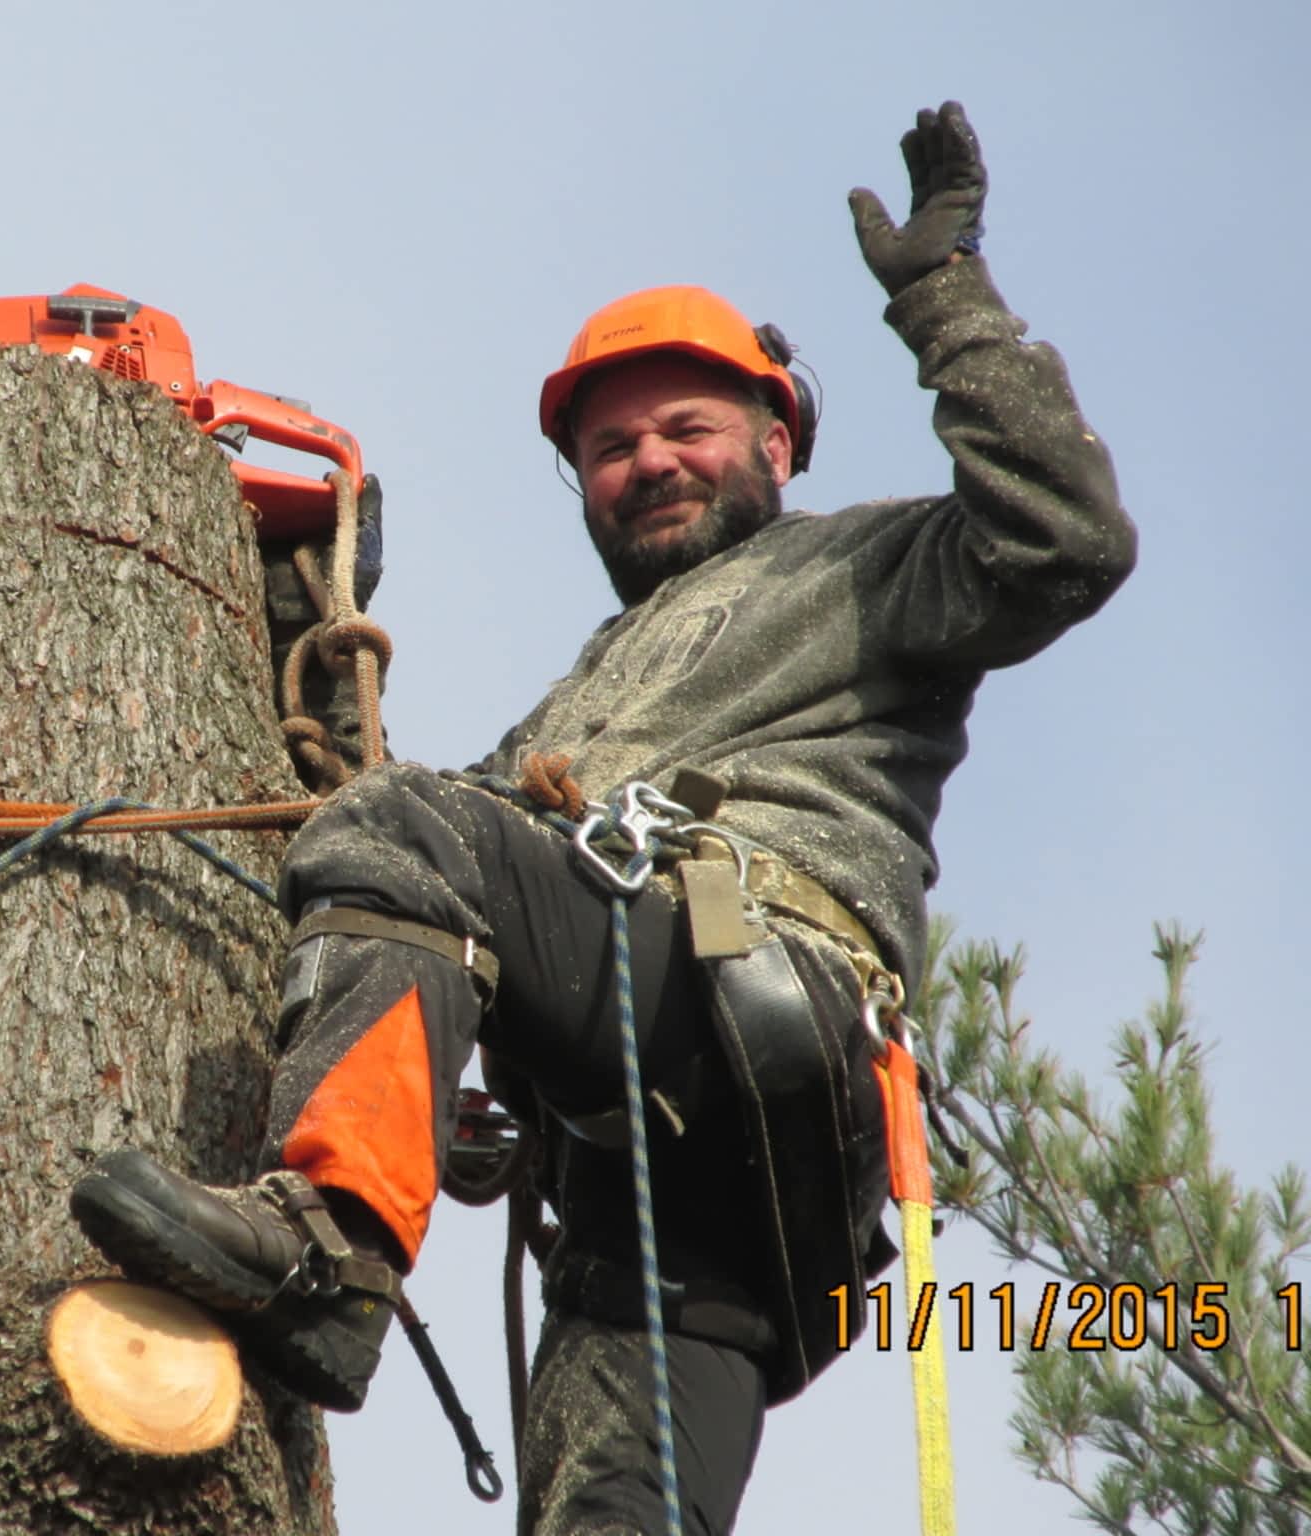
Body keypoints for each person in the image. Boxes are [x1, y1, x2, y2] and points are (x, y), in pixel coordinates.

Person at [70, 101, 1136, 1534]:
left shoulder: (876, 569)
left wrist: (948, 298)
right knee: (611, 1507)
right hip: (678, 1188)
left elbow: (1065, 540)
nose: (650, 462)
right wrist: (284, 628)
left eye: (688, 426)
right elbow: (396, 893)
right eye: (613, 446)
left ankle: (327, 1248)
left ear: (778, 438)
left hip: (763, 1010)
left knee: (413, 824)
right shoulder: (573, 709)